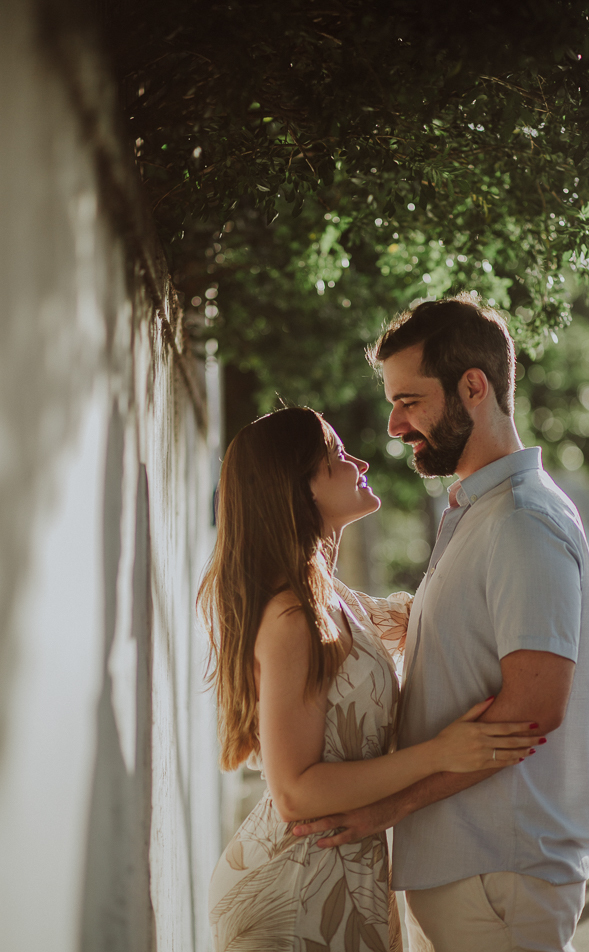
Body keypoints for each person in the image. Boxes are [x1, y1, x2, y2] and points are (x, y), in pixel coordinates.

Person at [294, 297, 589, 952]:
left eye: (409, 401)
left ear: (472, 387)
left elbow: (534, 707)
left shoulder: (519, 520)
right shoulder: (477, 512)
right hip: (473, 868)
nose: (395, 424)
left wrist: (388, 806)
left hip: (497, 869)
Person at [199, 406, 542, 952]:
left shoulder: (336, 601)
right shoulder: (291, 619)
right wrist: (440, 754)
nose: (357, 460)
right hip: (294, 892)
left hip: (346, 873)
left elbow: (438, 611)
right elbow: (293, 792)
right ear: (298, 489)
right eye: (335, 455)